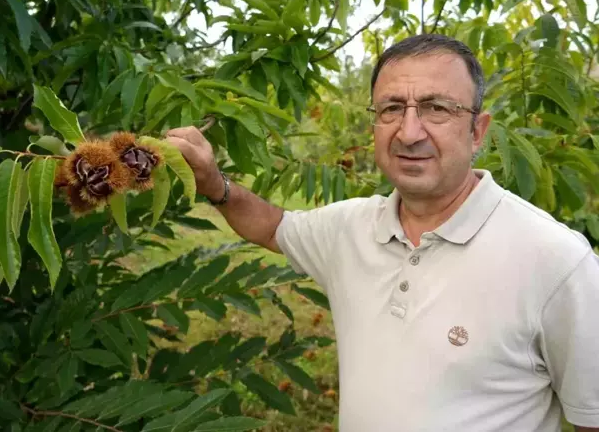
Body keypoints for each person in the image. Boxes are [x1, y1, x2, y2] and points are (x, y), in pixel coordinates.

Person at [165, 34, 599, 432]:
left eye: (437, 108)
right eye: (392, 109)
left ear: (477, 131)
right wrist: (213, 184)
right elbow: (274, 226)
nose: (410, 132)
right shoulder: (349, 228)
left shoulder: (556, 261)